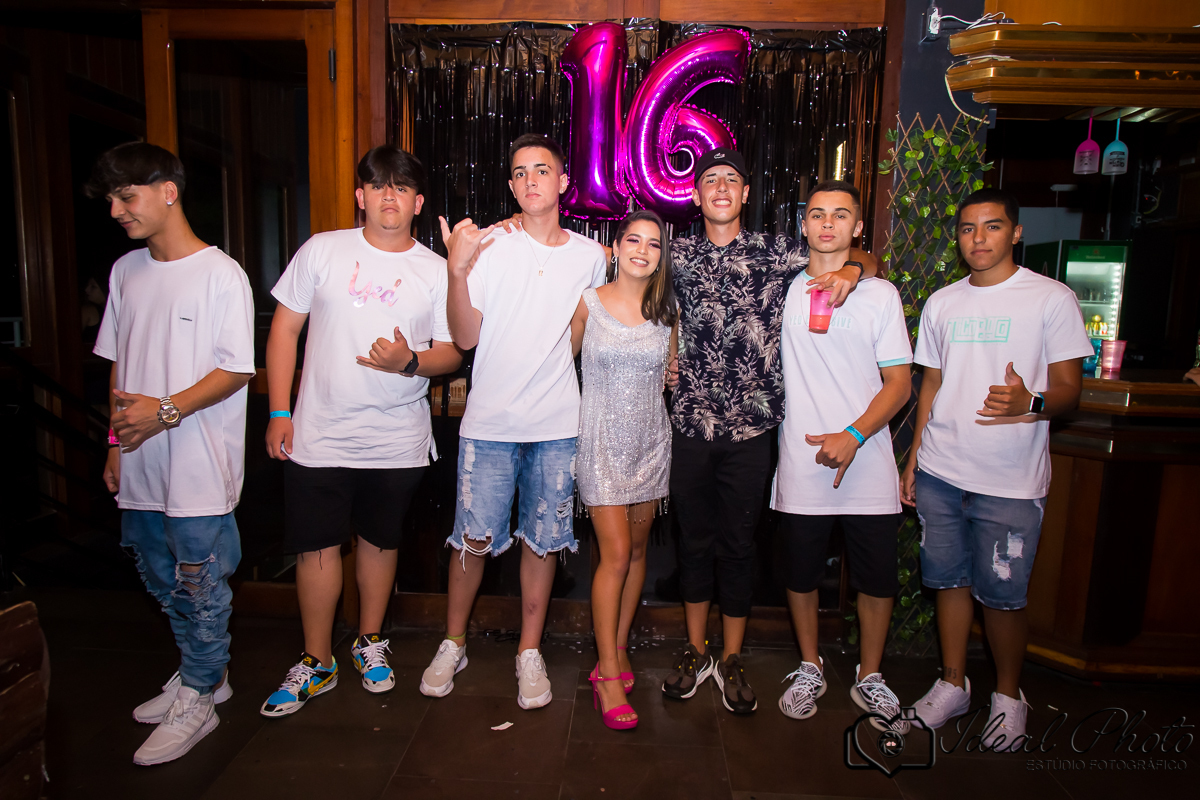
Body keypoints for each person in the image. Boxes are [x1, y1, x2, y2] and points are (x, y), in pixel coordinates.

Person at [663, 148, 877, 715]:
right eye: (710, 179)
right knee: (693, 543)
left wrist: (852, 271)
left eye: (731, 179)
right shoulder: (676, 253)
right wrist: (668, 354)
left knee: (739, 545)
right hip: (689, 422)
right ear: (696, 194)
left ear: (745, 193)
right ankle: (695, 650)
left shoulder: (778, 251)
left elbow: (863, 256)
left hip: (753, 429)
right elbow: (650, 305)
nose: (721, 187)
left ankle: (732, 656)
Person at [260, 145, 461, 717]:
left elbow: (454, 351)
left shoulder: (435, 269)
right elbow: (284, 332)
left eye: (401, 187)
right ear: (361, 196)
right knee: (316, 547)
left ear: (418, 202)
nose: (388, 195)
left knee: (379, 542)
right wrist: (279, 412)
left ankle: (370, 642)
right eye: (377, 185)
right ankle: (317, 660)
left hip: (396, 437)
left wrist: (409, 361)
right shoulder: (322, 250)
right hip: (318, 432)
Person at [900, 189, 1092, 749]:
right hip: (940, 470)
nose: (978, 238)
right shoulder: (942, 302)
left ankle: (1009, 698)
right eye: (968, 228)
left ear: (1016, 232)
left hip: (1010, 479)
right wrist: (913, 459)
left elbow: (1070, 390)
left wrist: (1032, 401)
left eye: (992, 226)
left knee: (1004, 596)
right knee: (948, 582)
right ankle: (953, 684)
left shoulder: (1050, 298)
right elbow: (930, 385)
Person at [422, 133, 607, 709]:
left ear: (563, 182)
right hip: (489, 424)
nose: (531, 180)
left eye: (542, 170)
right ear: (511, 185)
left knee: (544, 543)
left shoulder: (592, 256)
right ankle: (454, 642)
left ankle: (529, 650)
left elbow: (584, 332)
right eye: (521, 172)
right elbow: (466, 337)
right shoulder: (487, 247)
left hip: (557, 425)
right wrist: (457, 271)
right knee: (472, 540)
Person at [87, 142, 254, 765]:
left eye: (126, 197)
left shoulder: (220, 274)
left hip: (198, 463)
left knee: (200, 582)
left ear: (168, 191)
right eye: (111, 199)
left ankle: (202, 693)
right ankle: (199, 670)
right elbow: (118, 364)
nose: (116, 211)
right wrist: (114, 444)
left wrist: (163, 412)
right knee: (159, 576)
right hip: (139, 461)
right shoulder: (125, 272)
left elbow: (236, 370)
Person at [771, 181, 912, 729]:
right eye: (816, 214)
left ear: (857, 226)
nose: (827, 223)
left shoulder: (880, 294)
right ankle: (810, 666)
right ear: (803, 224)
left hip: (868, 455)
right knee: (801, 573)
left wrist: (854, 435)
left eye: (840, 215)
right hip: (800, 457)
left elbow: (899, 384)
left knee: (875, 578)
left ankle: (869, 674)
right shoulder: (781, 287)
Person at [571, 209, 678, 730]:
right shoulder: (588, 304)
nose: (642, 250)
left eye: (653, 244)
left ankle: (616, 644)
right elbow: (558, 366)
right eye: (633, 240)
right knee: (613, 555)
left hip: (650, 446)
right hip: (600, 448)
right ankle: (607, 673)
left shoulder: (667, 313)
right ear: (614, 248)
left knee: (637, 553)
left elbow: (671, 373)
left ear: (661, 257)